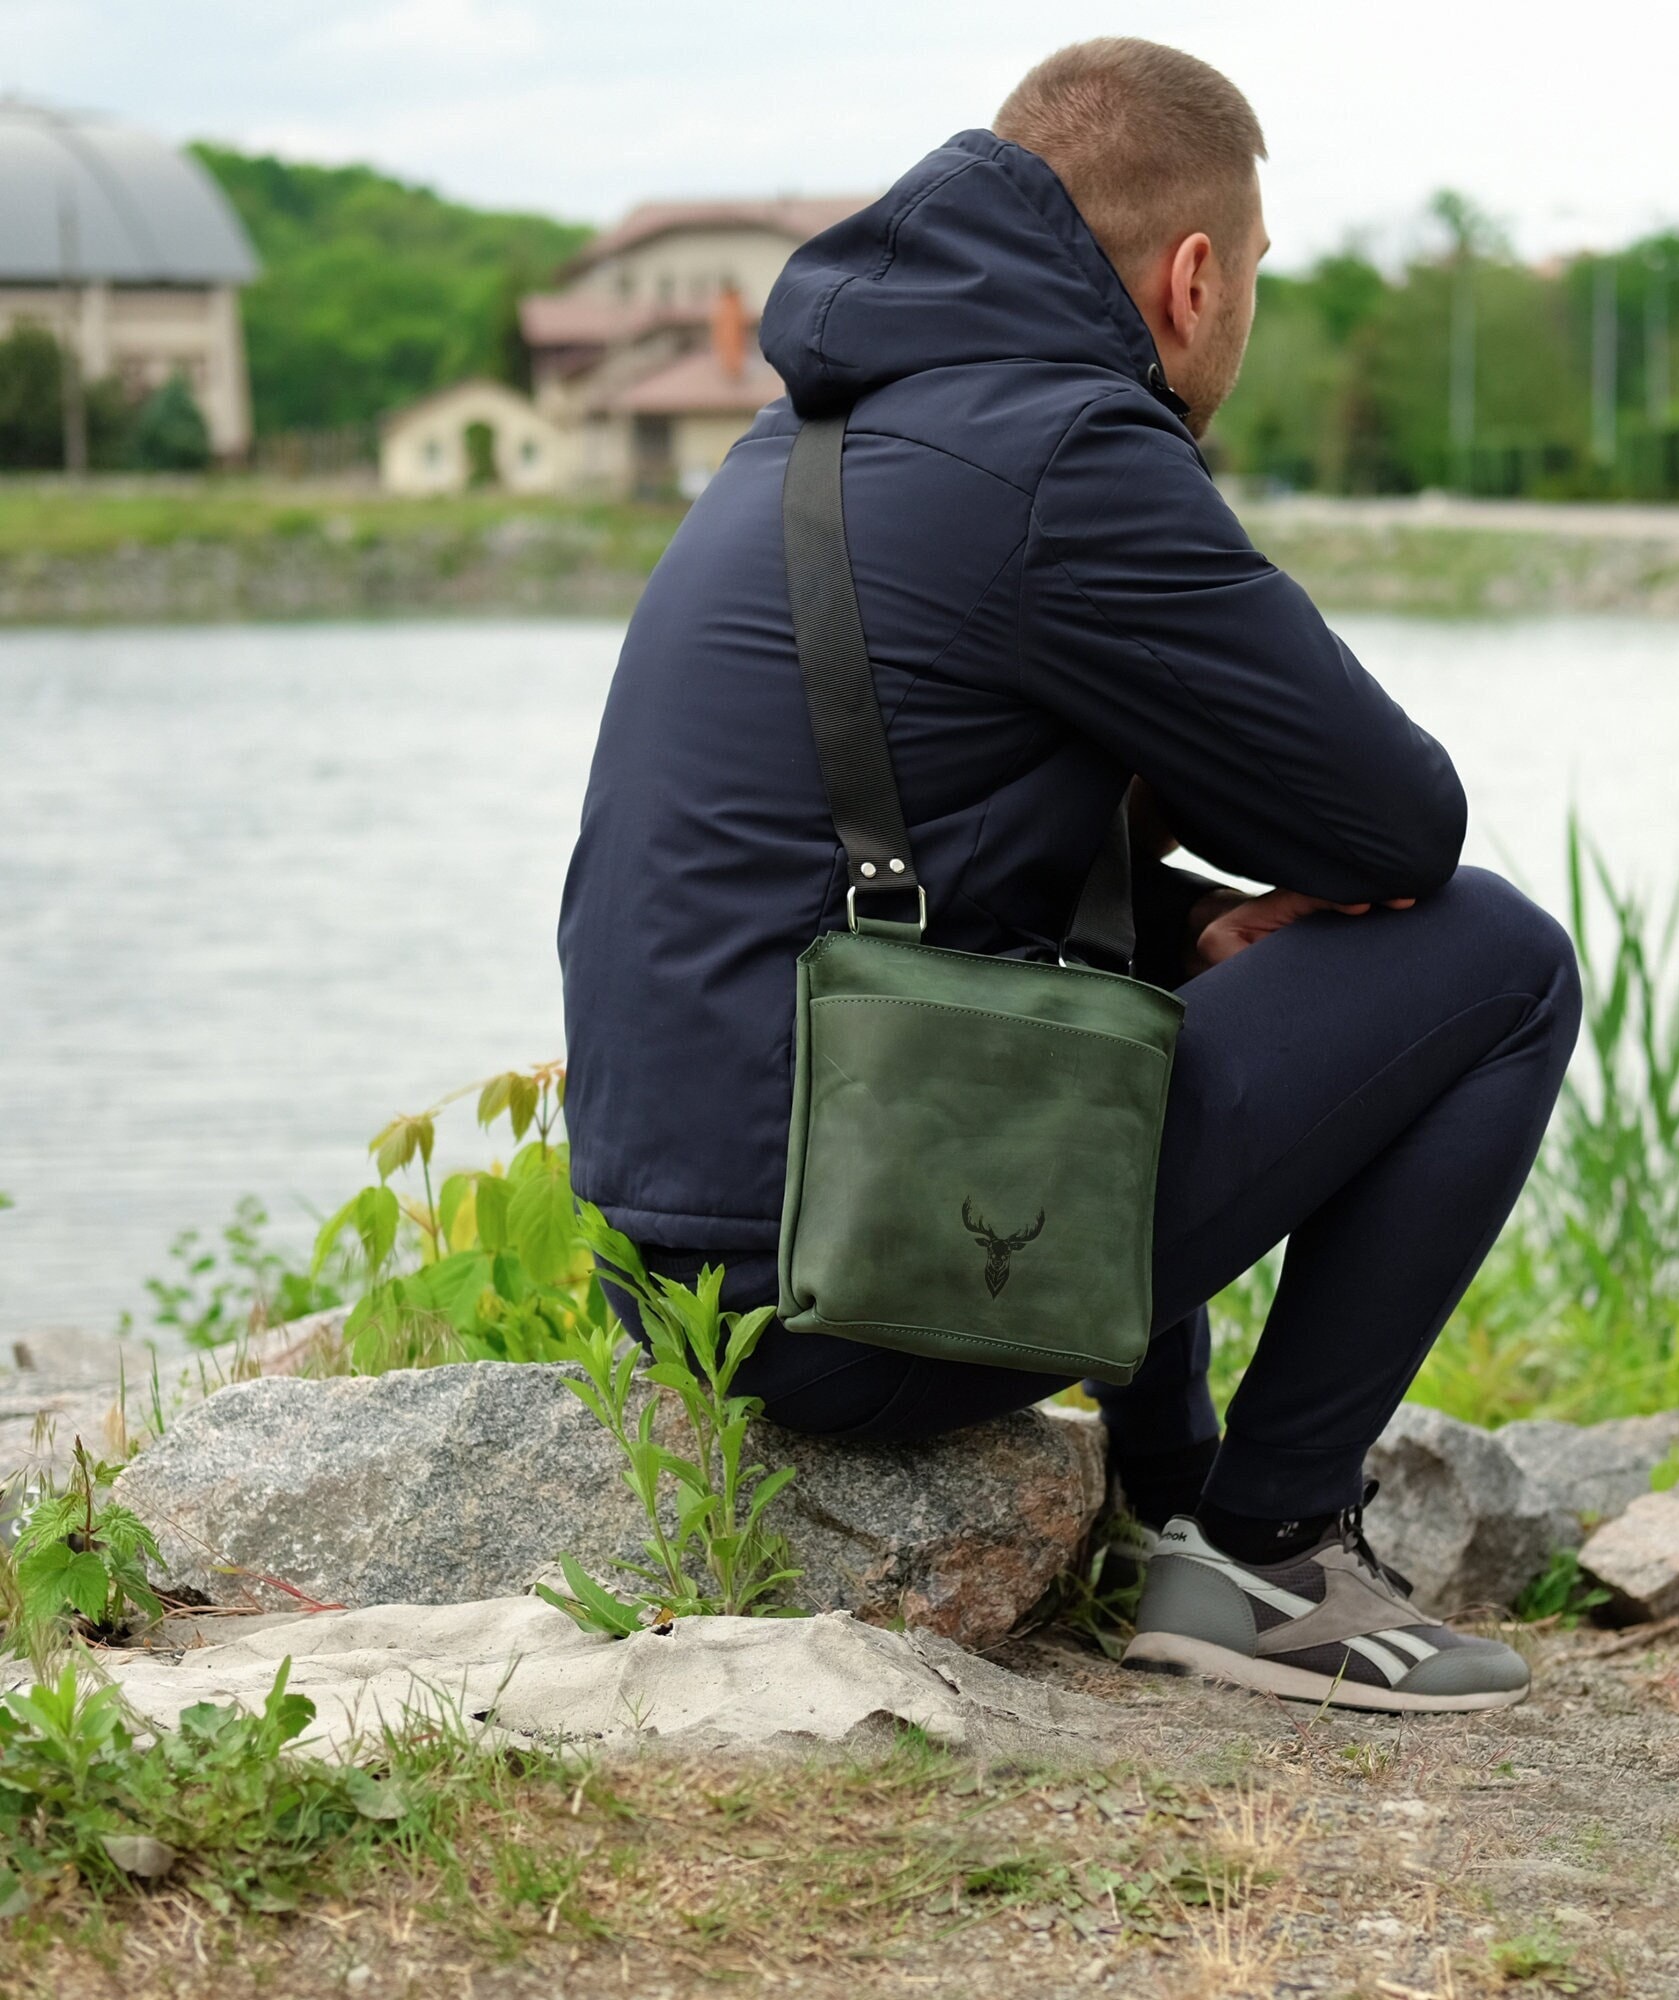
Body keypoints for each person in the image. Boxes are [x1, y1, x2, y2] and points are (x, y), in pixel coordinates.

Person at [559, 37, 1580, 1713]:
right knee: (1497, 960)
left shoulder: (812, 432)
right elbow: (1399, 830)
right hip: (845, 1279)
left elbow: (904, 848)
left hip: (690, 1275)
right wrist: (1255, 897)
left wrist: (1193, 920)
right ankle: (1268, 1547)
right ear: (1194, 279)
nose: (1243, 311)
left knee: (1119, 967)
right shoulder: (1065, 457)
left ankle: (1161, 1511)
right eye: (1253, 276)